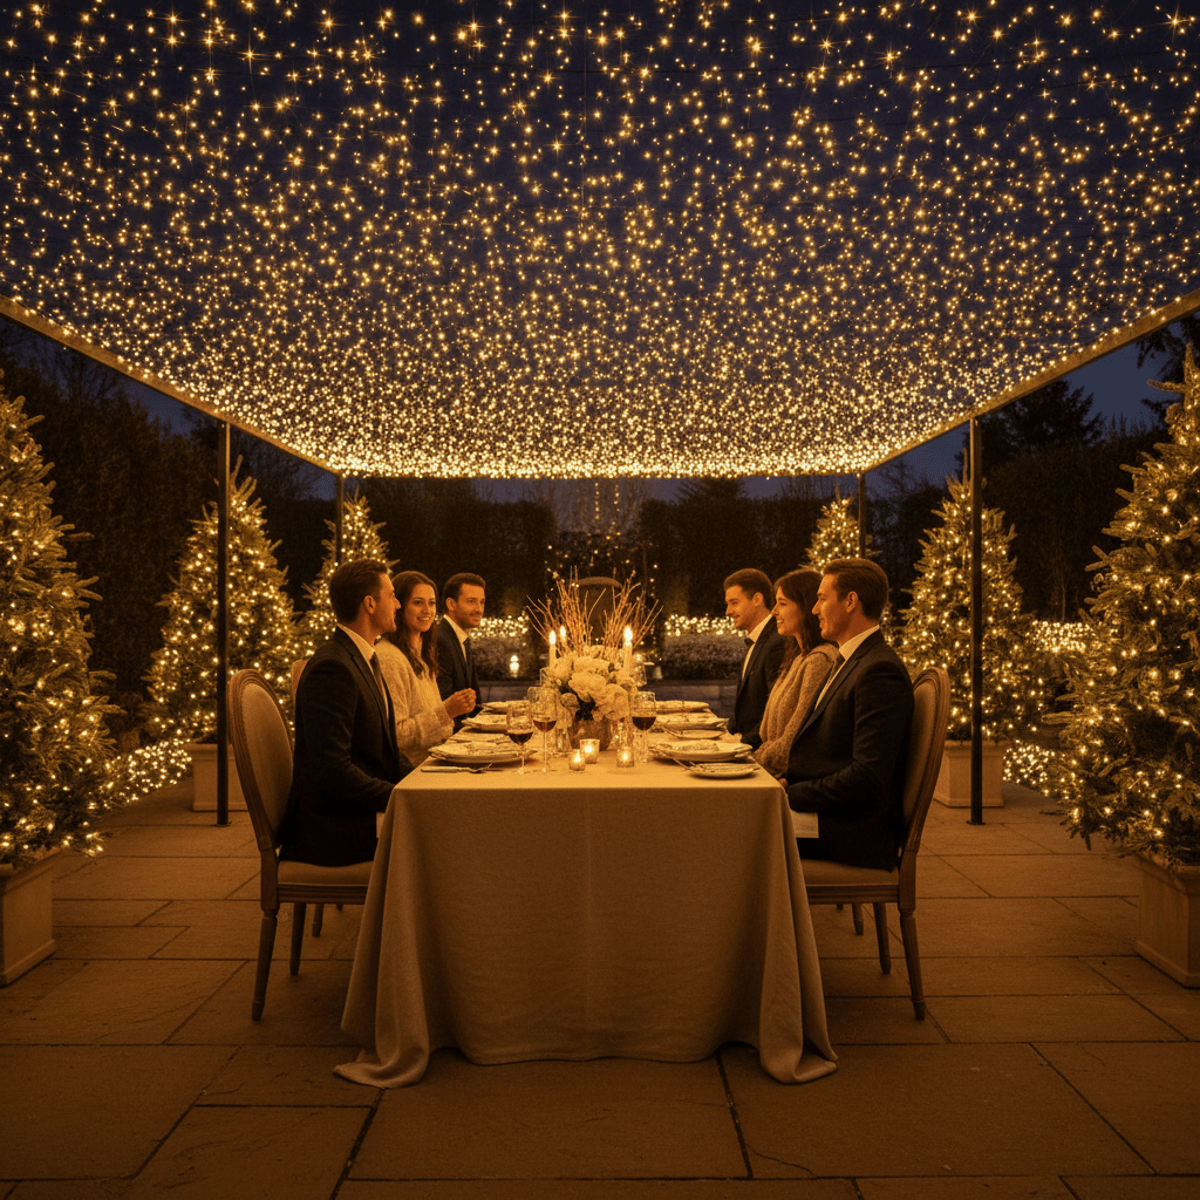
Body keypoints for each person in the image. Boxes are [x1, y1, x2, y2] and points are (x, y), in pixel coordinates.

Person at [782, 558, 914, 871]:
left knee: (740, 828)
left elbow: (867, 778)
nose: (814, 610)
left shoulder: (879, 670)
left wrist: (791, 795)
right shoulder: (852, 659)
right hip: (834, 816)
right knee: (738, 814)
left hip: (853, 830)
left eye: (822, 598)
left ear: (851, 601)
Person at [279, 559, 411, 867]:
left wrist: (422, 782)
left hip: (351, 815)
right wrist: (402, 797)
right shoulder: (333, 667)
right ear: (369, 603)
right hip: (334, 830)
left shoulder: (359, 658)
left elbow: (384, 754)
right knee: (444, 830)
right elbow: (333, 773)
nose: (398, 603)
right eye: (391, 595)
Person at [376, 570, 476, 766]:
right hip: (414, 771)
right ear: (399, 606)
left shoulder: (421, 654)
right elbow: (397, 736)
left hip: (437, 759)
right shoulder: (388, 657)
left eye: (431, 603)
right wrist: (446, 711)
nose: (427, 610)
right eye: (418, 602)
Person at [753, 569, 840, 777]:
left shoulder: (820, 660)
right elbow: (767, 734)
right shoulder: (798, 657)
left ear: (805, 606)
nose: (773, 611)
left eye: (782, 604)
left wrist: (753, 760)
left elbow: (793, 742)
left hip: (785, 779)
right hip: (770, 771)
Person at [724, 568, 786, 751]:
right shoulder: (758, 638)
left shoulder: (777, 642)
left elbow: (775, 713)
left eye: (734, 603)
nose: (728, 611)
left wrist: (740, 743)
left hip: (759, 752)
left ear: (757, 599)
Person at [436, 572, 486, 731]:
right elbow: (444, 703)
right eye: (471, 602)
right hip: (450, 738)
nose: (479, 609)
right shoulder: (440, 639)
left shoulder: (463, 638)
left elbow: (474, 699)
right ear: (451, 604)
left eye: (482, 602)